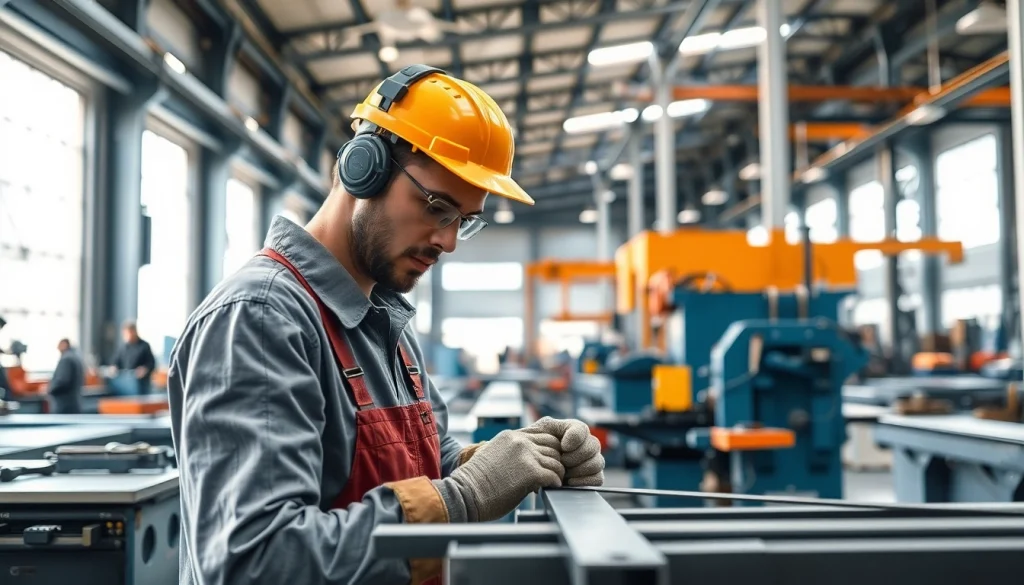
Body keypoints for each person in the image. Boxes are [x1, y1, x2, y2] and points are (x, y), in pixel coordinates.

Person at [167, 64, 606, 585]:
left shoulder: (387, 319)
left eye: (464, 220)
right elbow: (254, 561)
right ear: (364, 168)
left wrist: (511, 460)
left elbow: (428, 464)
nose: (448, 242)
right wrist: (465, 496)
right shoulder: (262, 319)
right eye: (437, 207)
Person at [109, 321, 156, 394]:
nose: (126, 336)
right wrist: (113, 368)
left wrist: (144, 370)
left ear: (134, 332)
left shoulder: (144, 346)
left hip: (141, 384)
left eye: (128, 333)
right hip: (125, 383)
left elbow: (151, 364)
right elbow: (115, 362)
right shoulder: (123, 348)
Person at [47, 338, 85, 414]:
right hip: (75, 404)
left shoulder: (66, 359)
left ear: (64, 345)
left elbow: (62, 381)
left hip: (64, 406)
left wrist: (50, 389)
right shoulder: (76, 358)